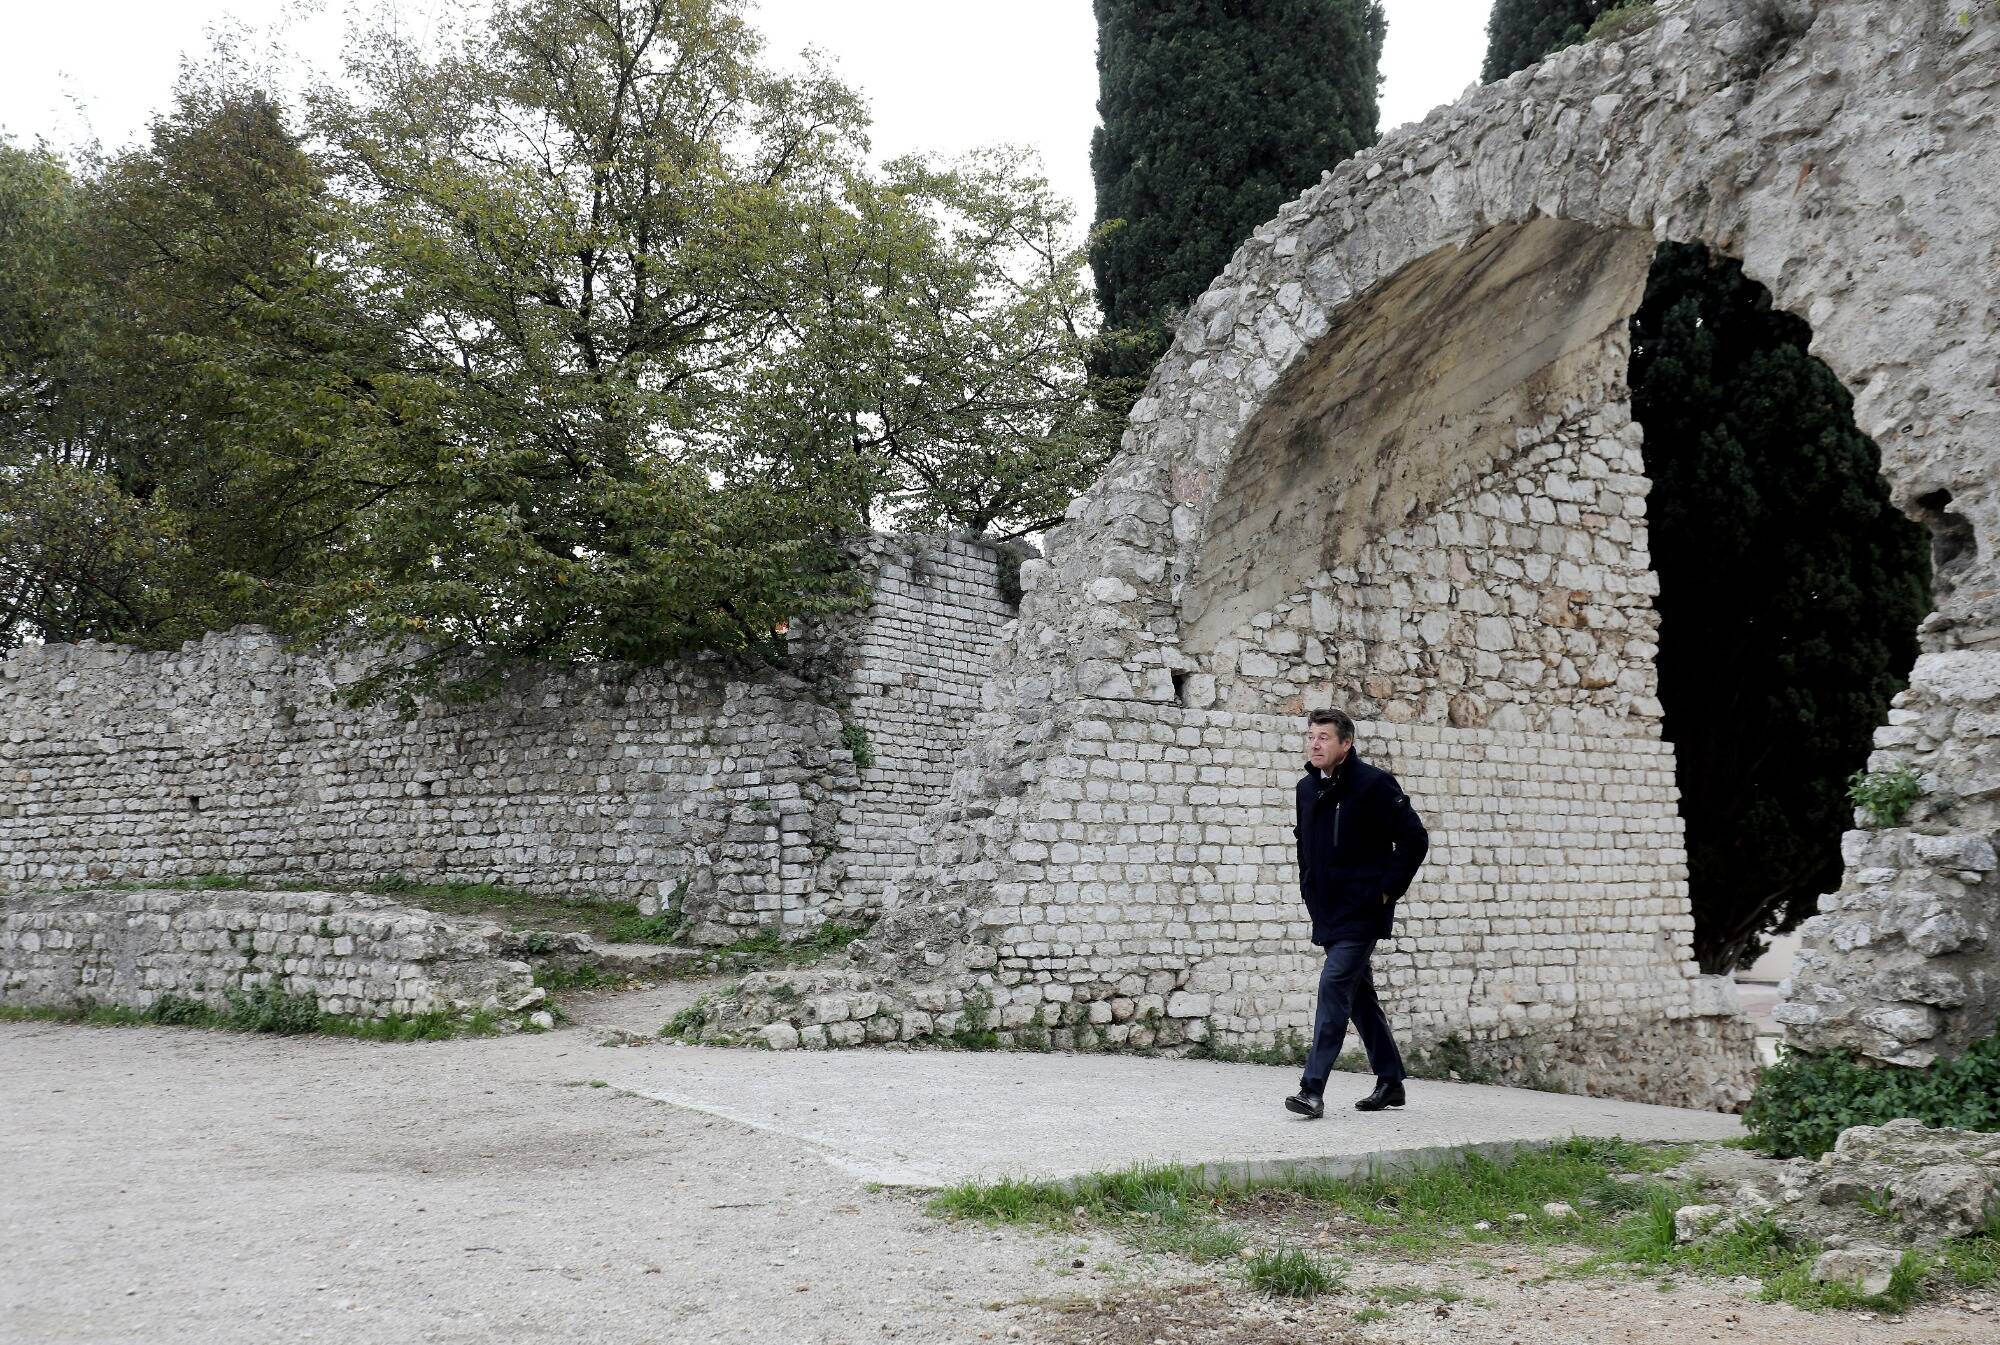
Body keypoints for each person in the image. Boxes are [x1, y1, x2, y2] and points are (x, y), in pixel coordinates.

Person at [1286, 707, 1429, 1118]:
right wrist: (1309, 886)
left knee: (1334, 986)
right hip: (1328, 911)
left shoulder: (1374, 785)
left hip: (1363, 910)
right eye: (1311, 736)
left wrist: (1385, 891)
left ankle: (1312, 1090)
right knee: (1359, 997)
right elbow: (1305, 845)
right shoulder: (1306, 789)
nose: (1315, 744)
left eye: (1324, 737)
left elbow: (1414, 839)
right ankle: (1391, 1081)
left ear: (1346, 744)